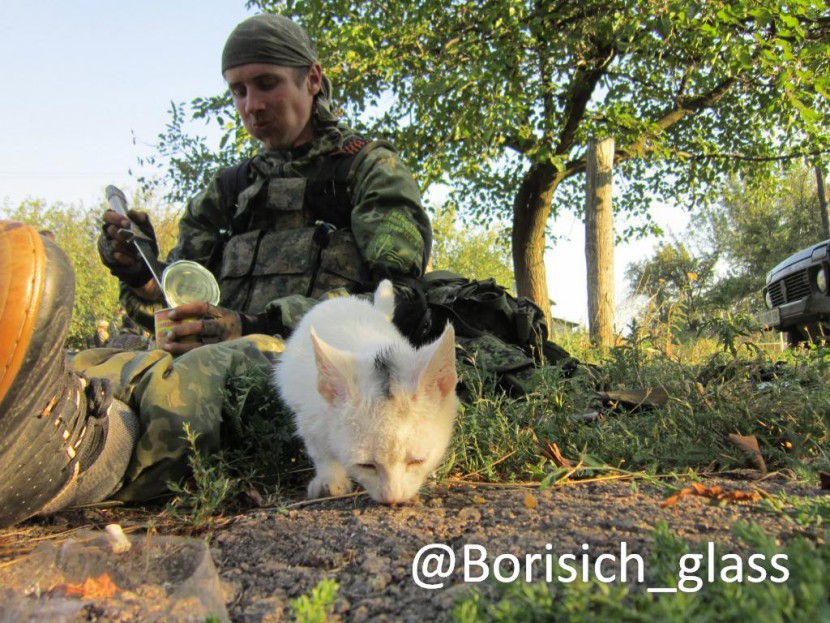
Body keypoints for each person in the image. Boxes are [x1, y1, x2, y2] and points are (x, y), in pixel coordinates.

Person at [0, 14, 432, 528]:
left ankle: (76, 457)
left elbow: (398, 294)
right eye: (238, 90)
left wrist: (250, 325)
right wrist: (140, 274)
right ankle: (41, 414)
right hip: (217, 349)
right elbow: (173, 304)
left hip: (310, 358)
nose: (252, 105)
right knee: (94, 360)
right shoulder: (227, 192)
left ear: (312, 80)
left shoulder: (367, 171)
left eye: (267, 83)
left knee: (190, 384)